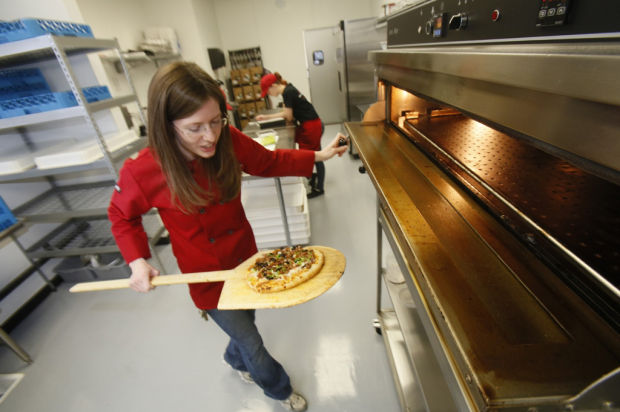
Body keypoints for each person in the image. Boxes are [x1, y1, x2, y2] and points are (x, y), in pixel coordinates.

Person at [107, 61, 348, 412]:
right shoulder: (143, 170)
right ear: (165, 125)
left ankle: (233, 360)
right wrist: (137, 261)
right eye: (194, 128)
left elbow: (267, 162)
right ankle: (279, 390)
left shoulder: (227, 140)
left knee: (245, 324)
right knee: (252, 341)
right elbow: (120, 215)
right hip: (207, 277)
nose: (210, 136)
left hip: (246, 260)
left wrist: (318, 154)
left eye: (216, 121)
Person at [255, 72, 325, 198]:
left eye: (268, 91)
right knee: (311, 155)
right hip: (310, 124)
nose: (269, 95)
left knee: (315, 156)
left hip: (312, 126)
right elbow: (289, 112)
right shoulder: (288, 89)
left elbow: (288, 115)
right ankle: (313, 177)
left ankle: (319, 188)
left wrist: (266, 117)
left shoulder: (288, 92)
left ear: (274, 85)